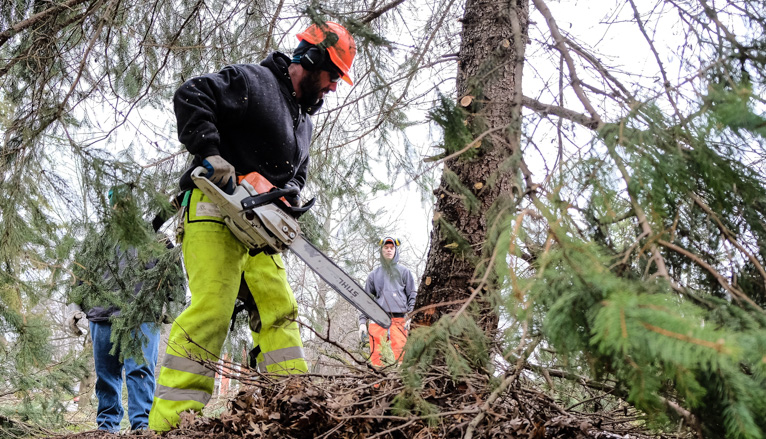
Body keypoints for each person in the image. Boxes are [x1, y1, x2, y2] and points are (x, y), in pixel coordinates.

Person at [148, 21, 357, 431]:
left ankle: (296, 406)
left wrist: (285, 199)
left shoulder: (304, 124)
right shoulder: (253, 81)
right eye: (332, 76)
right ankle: (171, 423)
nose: (333, 87)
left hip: (260, 227)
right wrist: (210, 151)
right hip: (214, 209)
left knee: (279, 309)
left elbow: (297, 178)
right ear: (312, 60)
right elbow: (192, 94)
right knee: (213, 307)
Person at [65, 187, 178, 433]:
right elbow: (78, 279)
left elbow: (174, 274)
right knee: (106, 376)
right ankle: (106, 427)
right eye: (118, 204)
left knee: (140, 373)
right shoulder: (95, 241)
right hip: (102, 318)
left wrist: (172, 305)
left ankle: (142, 427)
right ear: (111, 207)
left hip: (142, 318)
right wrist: (73, 308)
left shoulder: (156, 238)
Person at [359, 237, 417, 366]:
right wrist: (362, 322)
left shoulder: (404, 272)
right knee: (376, 357)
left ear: (395, 250)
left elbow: (412, 295)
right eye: (386, 248)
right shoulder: (374, 275)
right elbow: (365, 299)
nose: (389, 250)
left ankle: (401, 383)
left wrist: (411, 315)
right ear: (382, 250)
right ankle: (376, 385)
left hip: (400, 319)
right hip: (378, 319)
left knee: (401, 355)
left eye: (391, 248)